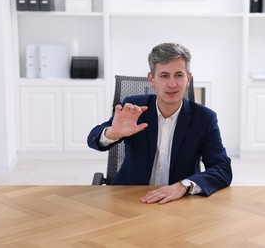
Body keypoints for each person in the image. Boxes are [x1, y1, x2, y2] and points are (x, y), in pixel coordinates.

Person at [87, 42, 232, 204]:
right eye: (164, 76)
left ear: (188, 79)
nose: (172, 84)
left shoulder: (204, 118)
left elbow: (222, 169)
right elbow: (93, 139)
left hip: (177, 202)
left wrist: (184, 186)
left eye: (178, 75)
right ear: (152, 79)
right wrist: (113, 133)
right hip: (129, 198)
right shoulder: (134, 109)